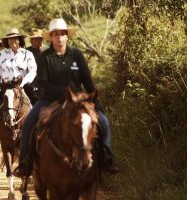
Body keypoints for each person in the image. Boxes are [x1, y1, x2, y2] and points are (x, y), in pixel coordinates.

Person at [13, 18, 119, 177]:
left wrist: (94, 100)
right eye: (56, 34)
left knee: (103, 120)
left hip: (78, 99)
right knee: (28, 123)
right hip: (49, 99)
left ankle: (107, 159)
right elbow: (42, 82)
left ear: (67, 36)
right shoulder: (45, 57)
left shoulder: (76, 54)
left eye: (62, 34)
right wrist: (61, 92)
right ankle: (25, 164)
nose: (59, 37)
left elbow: (86, 79)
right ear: (51, 37)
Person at [0, 28, 37, 147]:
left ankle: (40, 132)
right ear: (7, 41)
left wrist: (23, 83)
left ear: (19, 40)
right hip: (5, 87)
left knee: (38, 103)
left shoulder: (27, 54)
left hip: (23, 86)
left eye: (14, 38)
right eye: (9, 39)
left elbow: (33, 71)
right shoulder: (2, 54)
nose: (12, 41)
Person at [26, 28, 45, 105]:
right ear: (31, 40)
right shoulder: (26, 51)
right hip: (31, 81)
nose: (37, 41)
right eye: (34, 39)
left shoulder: (47, 50)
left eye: (38, 39)